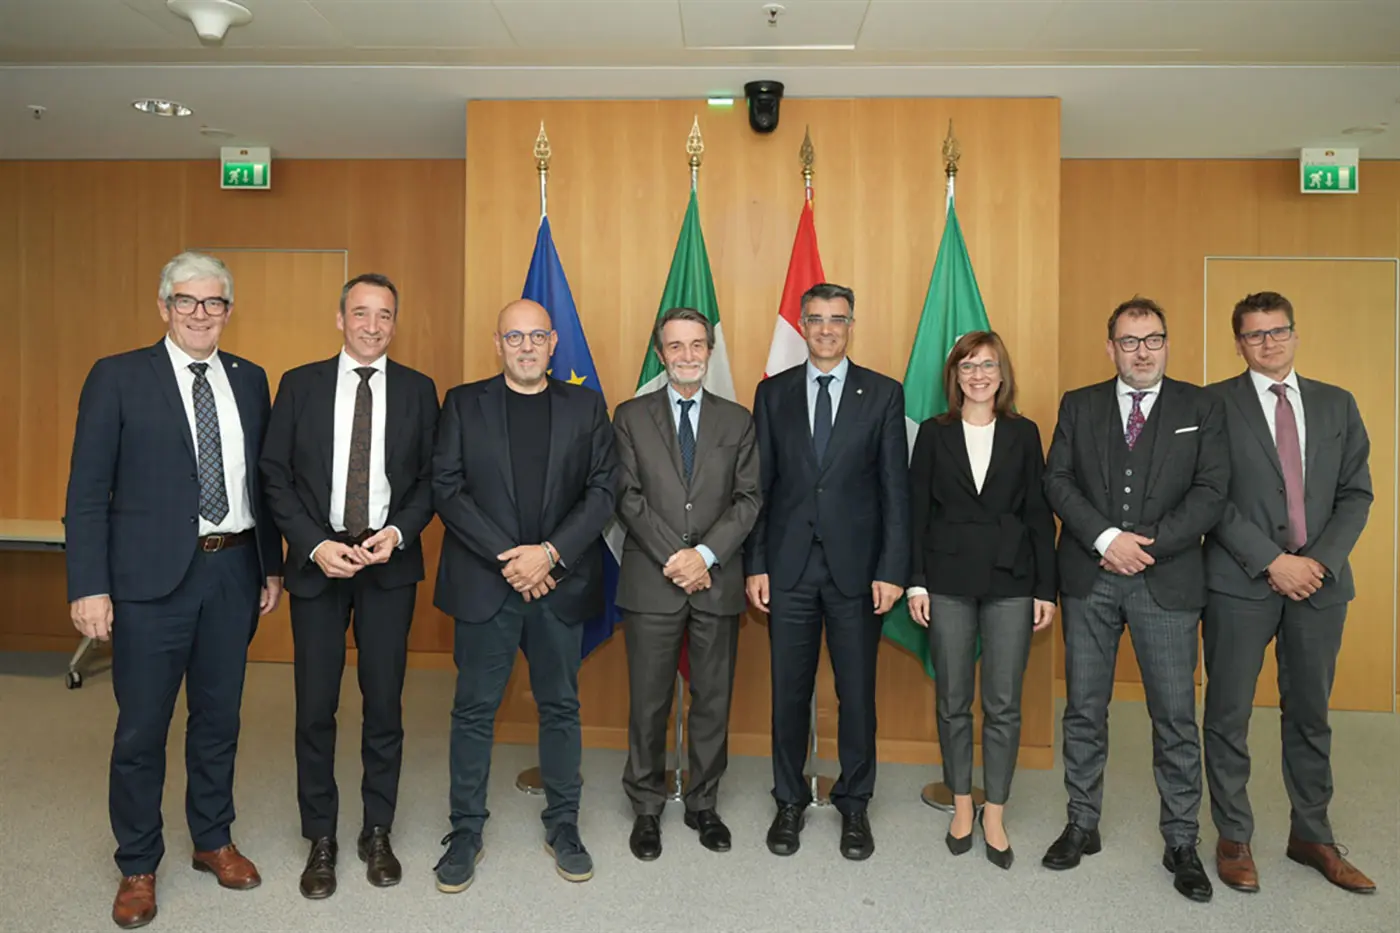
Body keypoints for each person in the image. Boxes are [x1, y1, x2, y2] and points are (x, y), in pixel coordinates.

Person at [65, 251, 284, 929]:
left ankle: (213, 838)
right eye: (186, 301)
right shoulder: (118, 376)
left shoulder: (251, 379)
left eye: (213, 302)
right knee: (141, 728)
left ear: (227, 311)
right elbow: (86, 490)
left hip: (232, 573)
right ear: (163, 306)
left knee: (218, 720)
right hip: (147, 583)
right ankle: (137, 860)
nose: (200, 313)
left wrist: (270, 564)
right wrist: (90, 585)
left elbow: (263, 481)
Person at [259, 273, 440, 899]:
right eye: (360, 313)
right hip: (319, 564)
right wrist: (314, 543)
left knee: (384, 705)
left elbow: (429, 483)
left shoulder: (419, 390)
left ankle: (377, 830)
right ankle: (322, 836)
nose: (372, 325)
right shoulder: (300, 385)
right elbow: (275, 476)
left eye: (384, 315)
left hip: (388, 565)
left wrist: (397, 533)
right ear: (340, 319)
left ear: (395, 322)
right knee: (315, 708)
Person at [1041, 296, 1228, 902]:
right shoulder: (1080, 404)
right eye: (1129, 341)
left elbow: (1210, 491)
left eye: (1152, 340)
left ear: (1166, 343)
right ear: (1111, 347)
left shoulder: (1201, 406)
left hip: (1166, 581)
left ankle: (1181, 840)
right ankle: (1082, 822)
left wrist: (1141, 545)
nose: (1142, 351)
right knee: (1084, 710)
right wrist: (1104, 538)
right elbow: (1057, 481)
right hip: (1090, 578)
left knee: (1174, 718)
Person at [430, 298, 617, 892]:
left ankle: (564, 824)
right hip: (488, 583)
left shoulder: (586, 406)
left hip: (559, 583)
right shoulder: (464, 403)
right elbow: (448, 488)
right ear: (499, 342)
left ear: (554, 343)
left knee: (560, 705)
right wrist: (514, 558)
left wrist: (549, 554)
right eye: (515, 337)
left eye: (537, 336)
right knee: (474, 710)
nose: (527, 346)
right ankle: (465, 829)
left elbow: (603, 491)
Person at [1202, 291, 1375, 895]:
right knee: (1227, 714)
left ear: (1295, 335)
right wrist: (1272, 560)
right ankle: (1233, 837)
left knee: (1310, 715)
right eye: (1255, 334)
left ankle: (1312, 836)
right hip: (1239, 584)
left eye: (1278, 331)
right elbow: (1208, 497)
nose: (1268, 342)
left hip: (1320, 589)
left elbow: (1356, 494)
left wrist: (1317, 564)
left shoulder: (1337, 404)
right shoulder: (1215, 405)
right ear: (1239, 343)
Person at [744, 282, 909, 861]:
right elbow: (759, 489)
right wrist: (756, 563)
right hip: (787, 570)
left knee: (856, 695)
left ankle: (854, 805)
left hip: (858, 574)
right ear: (803, 324)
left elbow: (896, 491)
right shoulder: (773, 395)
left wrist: (892, 569)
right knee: (788, 694)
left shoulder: (884, 394)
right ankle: (788, 800)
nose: (826, 329)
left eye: (838, 319)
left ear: (851, 325)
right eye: (815, 319)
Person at [612, 307, 761, 861]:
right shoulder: (629, 416)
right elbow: (626, 496)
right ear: (660, 353)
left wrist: (703, 555)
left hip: (715, 580)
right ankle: (647, 807)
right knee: (649, 702)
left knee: (712, 700)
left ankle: (703, 803)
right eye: (676, 347)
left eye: (697, 345)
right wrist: (674, 557)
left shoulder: (738, 420)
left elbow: (748, 499)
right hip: (653, 580)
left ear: (710, 350)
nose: (687, 356)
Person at [905, 331, 1056, 870]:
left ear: (1001, 373)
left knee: (1003, 703)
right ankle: (962, 802)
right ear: (955, 376)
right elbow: (916, 511)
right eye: (967, 365)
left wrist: (1046, 589)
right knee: (951, 698)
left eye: (987, 364)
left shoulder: (1023, 432)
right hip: (945, 580)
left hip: (1012, 580)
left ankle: (996, 808)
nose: (978, 374)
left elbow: (1039, 514)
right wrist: (916, 582)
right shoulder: (932, 433)